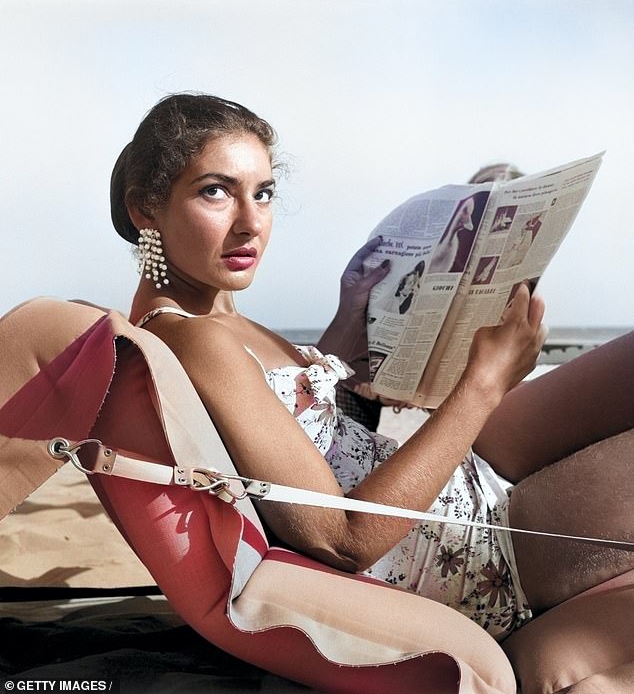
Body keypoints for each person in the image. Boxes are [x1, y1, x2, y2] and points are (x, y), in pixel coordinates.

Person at [111, 93, 633, 642]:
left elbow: (302, 430)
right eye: (215, 191)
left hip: (456, 476)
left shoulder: (215, 319)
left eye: (263, 193)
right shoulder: (192, 338)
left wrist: (346, 327)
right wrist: (484, 383)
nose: (250, 223)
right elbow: (344, 537)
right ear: (146, 207)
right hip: (474, 545)